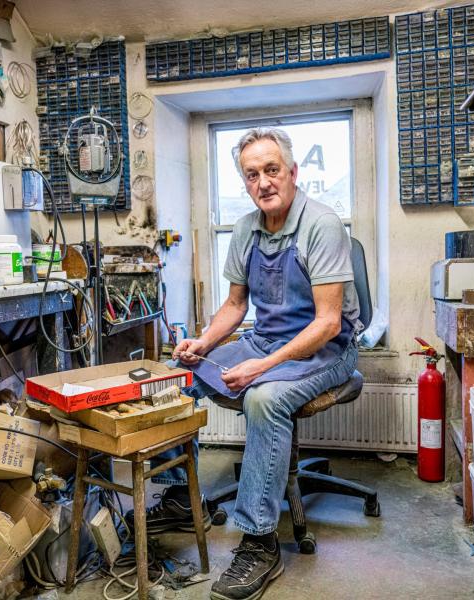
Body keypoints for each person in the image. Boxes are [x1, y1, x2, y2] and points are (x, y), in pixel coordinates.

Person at [129, 127, 361, 600]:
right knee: (177, 376)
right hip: (267, 339)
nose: (263, 182)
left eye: (272, 170)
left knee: (264, 397)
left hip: (327, 349)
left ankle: (260, 542)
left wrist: (260, 368)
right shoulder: (245, 229)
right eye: (252, 175)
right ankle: (179, 496)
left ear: (293, 174)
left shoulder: (321, 224)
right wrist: (203, 343)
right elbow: (236, 306)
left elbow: (329, 323)